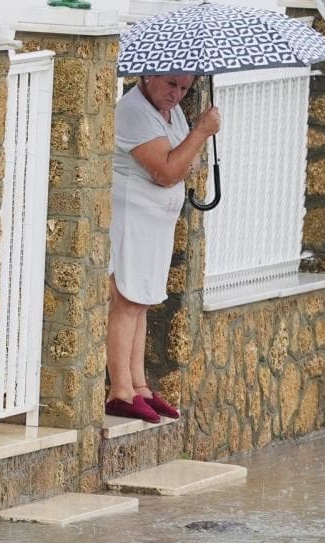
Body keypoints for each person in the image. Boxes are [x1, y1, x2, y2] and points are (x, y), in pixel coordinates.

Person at [105, 74, 220, 422]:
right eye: (171, 84)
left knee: (141, 301)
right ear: (148, 75)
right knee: (126, 299)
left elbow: (185, 161)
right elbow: (167, 171)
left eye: (184, 88)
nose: (177, 94)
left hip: (155, 222)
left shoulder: (172, 114)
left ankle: (138, 385)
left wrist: (189, 146)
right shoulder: (133, 111)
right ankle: (120, 390)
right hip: (132, 218)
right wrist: (201, 132)